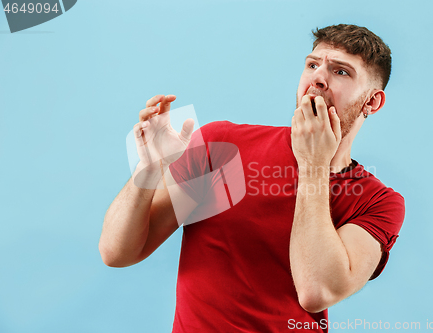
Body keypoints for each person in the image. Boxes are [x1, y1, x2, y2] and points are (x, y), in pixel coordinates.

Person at [99, 24, 405, 332]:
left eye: (341, 72)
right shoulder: (224, 146)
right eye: (312, 65)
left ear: (372, 102)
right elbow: (117, 253)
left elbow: (317, 291)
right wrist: (149, 168)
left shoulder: (378, 202)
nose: (318, 79)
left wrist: (313, 164)